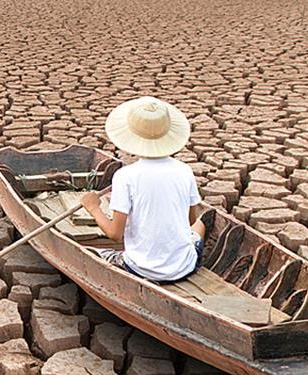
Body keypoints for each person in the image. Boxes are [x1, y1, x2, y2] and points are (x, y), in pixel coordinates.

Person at [79, 96, 213, 283]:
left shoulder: (126, 176)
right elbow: (190, 221)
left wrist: (92, 207)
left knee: (94, 253)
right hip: (185, 267)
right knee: (200, 225)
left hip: (140, 269)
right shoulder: (184, 170)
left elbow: (115, 235)